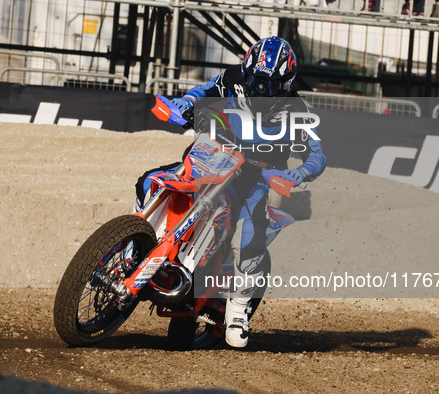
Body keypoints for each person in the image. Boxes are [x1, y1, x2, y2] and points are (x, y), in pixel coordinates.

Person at [136, 36, 326, 348]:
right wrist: (185, 102)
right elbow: (205, 91)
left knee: (249, 237)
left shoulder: (299, 110)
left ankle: (237, 312)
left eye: (267, 84)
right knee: (151, 179)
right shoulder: (233, 78)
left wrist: (298, 172)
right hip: (213, 153)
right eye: (253, 79)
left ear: (286, 84)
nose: (257, 88)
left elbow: (318, 154)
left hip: (257, 175)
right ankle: (134, 243)